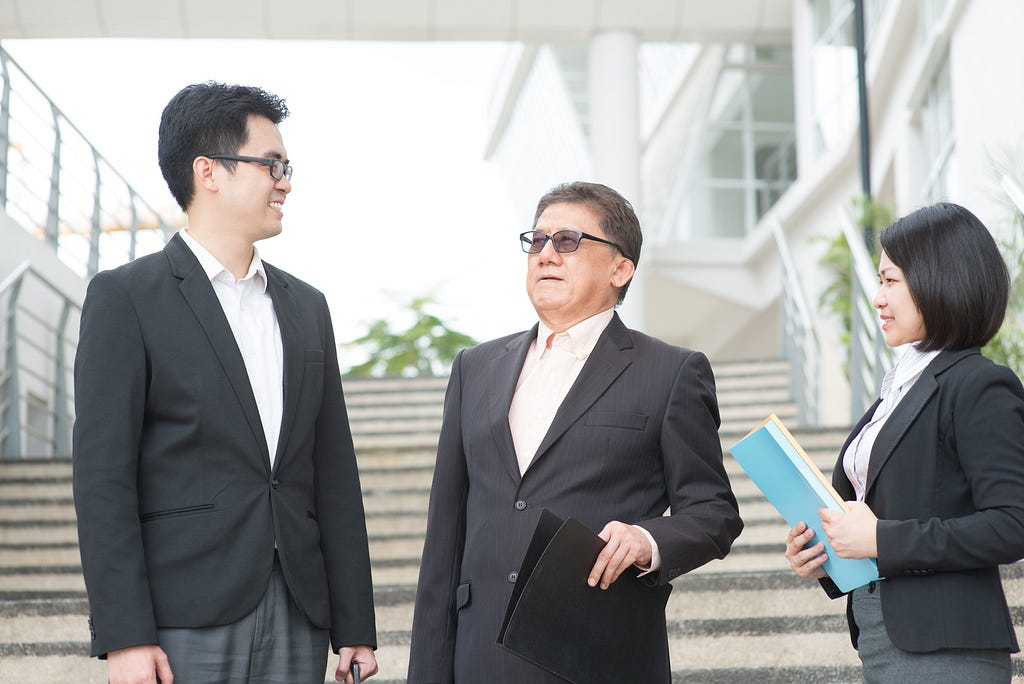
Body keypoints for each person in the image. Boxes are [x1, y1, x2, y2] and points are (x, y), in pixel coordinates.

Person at [72, 82, 377, 684]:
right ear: (208, 172)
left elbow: (333, 472)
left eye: (287, 166)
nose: (286, 181)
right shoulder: (127, 298)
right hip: (184, 615)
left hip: (299, 608)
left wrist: (355, 624)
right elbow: (103, 478)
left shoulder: (307, 306)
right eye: (273, 165)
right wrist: (125, 636)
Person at [407, 181, 743, 683]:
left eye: (567, 241)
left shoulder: (672, 372)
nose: (546, 254)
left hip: (598, 654)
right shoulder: (474, 368)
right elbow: (444, 539)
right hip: (479, 657)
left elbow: (713, 512)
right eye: (536, 240)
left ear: (620, 268)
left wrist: (649, 538)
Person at [785, 202, 1024, 683]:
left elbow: (1012, 524)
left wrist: (879, 538)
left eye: (891, 281)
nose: (877, 298)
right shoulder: (896, 389)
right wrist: (823, 555)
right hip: (882, 635)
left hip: (948, 646)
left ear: (942, 278)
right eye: (879, 281)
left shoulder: (979, 384)